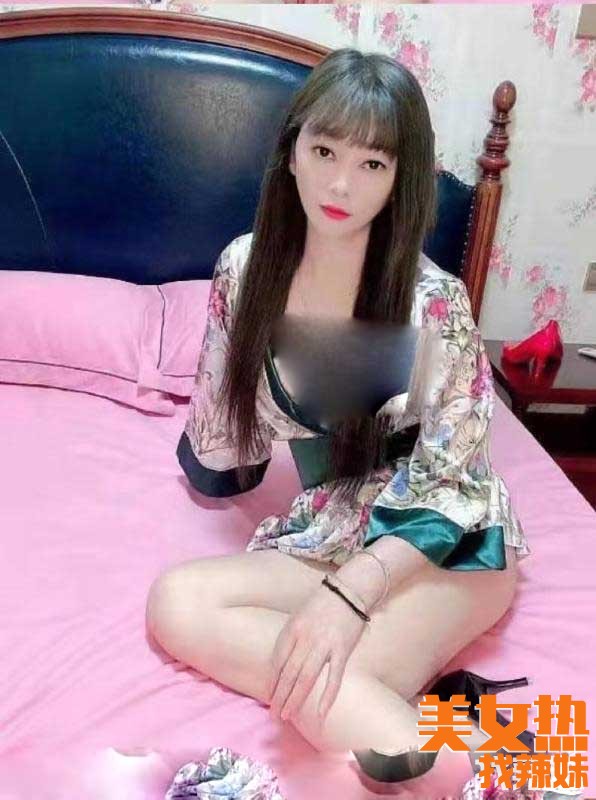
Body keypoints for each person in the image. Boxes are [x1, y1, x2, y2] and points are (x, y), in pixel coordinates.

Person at [146, 47, 532, 795]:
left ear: (399, 179)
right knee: (177, 601)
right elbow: (223, 435)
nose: (341, 185)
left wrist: (348, 598)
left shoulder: (432, 302)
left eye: (372, 164)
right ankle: (451, 736)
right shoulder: (244, 271)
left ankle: (491, 774)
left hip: (444, 539)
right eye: (324, 151)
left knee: (333, 683)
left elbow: (453, 482)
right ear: (291, 150)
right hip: (334, 522)